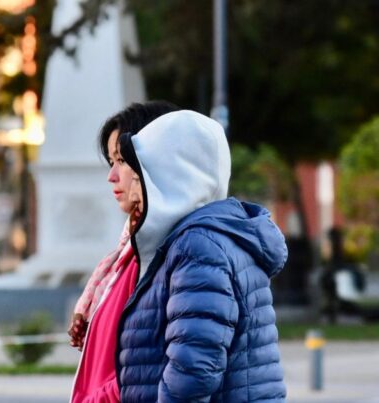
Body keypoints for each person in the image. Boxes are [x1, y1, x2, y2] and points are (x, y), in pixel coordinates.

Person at [115, 110, 288, 401]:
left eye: (142, 169)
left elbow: (193, 371)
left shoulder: (198, 245)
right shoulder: (208, 237)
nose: (132, 179)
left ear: (171, 173)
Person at [69, 101, 179, 402]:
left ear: (154, 161)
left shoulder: (162, 254)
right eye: (110, 162)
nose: (112, 176)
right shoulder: (127, 254)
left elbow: (164, 368)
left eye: (122, 160)